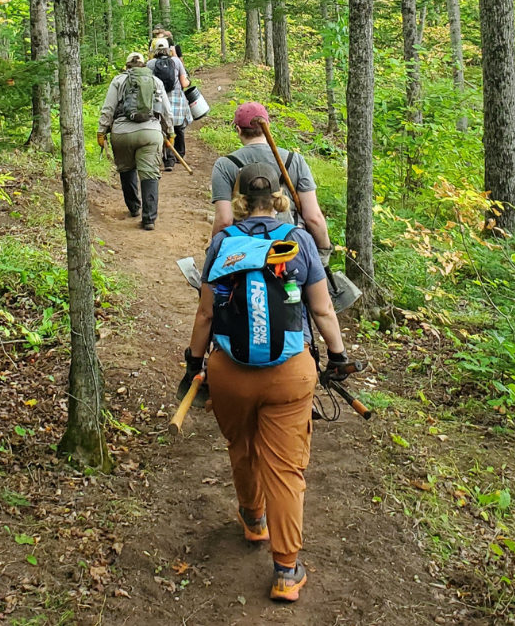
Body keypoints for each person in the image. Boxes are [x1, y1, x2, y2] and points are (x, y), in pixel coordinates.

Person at [177, 163, 360, 602]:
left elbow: (205, 314)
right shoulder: (297, 241)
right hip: (289, 373)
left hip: (229, 372)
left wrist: (192, 367)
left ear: (238, 199)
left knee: (241, 446)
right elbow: (322, 311)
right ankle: (285, 570)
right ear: (280, 197)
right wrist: (338, 357)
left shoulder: (222, 242)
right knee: (286, 469)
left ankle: (253, 519)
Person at [211, 102, 334, 267]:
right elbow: (313, 217)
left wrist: (215, 253)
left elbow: (224, 220)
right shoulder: (294, 160)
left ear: (238, 130)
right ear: (267, 125)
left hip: (244, 248)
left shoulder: (225, 165)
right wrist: (324, 252)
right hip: (291, 246)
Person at [97, 52, 174, 231]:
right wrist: (170, 132)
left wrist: (102, 131)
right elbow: (166, 111)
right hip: (150, 133)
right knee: (150, 173)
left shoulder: (118, 81)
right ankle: (149, 219)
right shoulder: (155, 81)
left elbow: (108, 108)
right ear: (144, 65)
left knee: (126, 169)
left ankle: (134, 208)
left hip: (121, 133)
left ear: (127, 66)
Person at [148, 38, 190, 172]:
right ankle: (180, 154)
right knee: (179, 127)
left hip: (159, 101)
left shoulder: (150, 64)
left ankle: (168, 160)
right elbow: (184, 84)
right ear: (169, 49)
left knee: (164, 129)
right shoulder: (176, 61)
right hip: (177, 100)